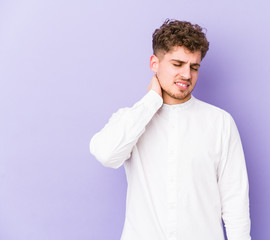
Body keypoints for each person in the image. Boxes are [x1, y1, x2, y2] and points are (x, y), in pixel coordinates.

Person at [89, 19, 251, 240]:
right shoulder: (132, 119)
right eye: (177, 64)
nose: (186, 75)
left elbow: (235, 202)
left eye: (194, 67)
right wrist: (150, 102)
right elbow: (105, 154)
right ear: (154, 63)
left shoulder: (220, 122)